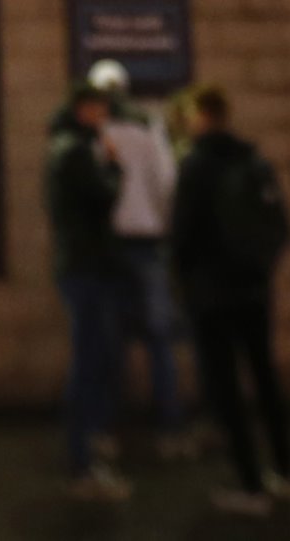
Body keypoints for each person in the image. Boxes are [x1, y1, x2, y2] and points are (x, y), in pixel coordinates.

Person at [168, 86, 290, 519]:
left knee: (226, 390)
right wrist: (259, 271)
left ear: (201, 115)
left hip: (211, 293)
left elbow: (183, 234)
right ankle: (285, 471)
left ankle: (250, 484)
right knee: (264, 378)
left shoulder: (196, 165)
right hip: (254, 289)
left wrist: (183, 282)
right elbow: (280, 226)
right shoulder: (253, 161)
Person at [87, 59, 193, 456]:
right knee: (159, 337)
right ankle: (169, 427)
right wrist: (163, 227)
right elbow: (167, 183)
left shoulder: (94, 130)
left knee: (108, 338)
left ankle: (106, 429)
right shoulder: (149, 125)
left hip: (108, 244)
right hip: (147, 241)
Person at [44, 78, 133, 501]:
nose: (105, 117)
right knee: (88, 361)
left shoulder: (62, 147)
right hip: (88, 268)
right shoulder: (77, 152)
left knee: (94, 357)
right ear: (83, 109)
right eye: (99, 109)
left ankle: (89, 447)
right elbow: (105, 197)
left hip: (81, 266)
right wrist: (115, 167)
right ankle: (83, 463)